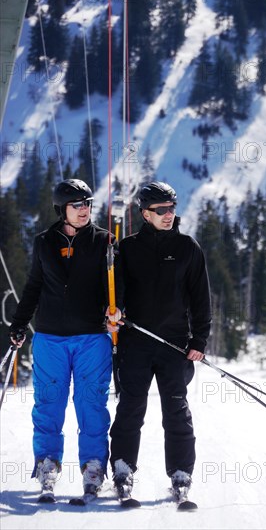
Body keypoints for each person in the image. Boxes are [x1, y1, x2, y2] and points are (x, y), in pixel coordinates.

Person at [9, 179, 121, 501]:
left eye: (87, 204)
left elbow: (115, 287)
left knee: (90, 404)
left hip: (91, 337)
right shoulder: (44, 241)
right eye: (77, 205)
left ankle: (94, 467)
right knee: (48, 403)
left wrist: (117, 311)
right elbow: (33, 285)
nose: (84, 210)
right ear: (62, 210)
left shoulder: (105, 241)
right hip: (50, 337)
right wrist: (19, 323)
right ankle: (47, 465)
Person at [108, 181, 212, 505]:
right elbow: (118, 291)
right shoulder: (128, 249)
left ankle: (181, 476)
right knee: (130, 408)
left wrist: (200, 338)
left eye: (172, 209)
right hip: (134, 343)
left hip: (175, 345)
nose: (169, 215)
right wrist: (115, 311)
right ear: (145, 213)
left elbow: (201, 299)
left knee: (177, 411)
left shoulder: (188, 248)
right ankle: (123, 472)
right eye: (161, 210)